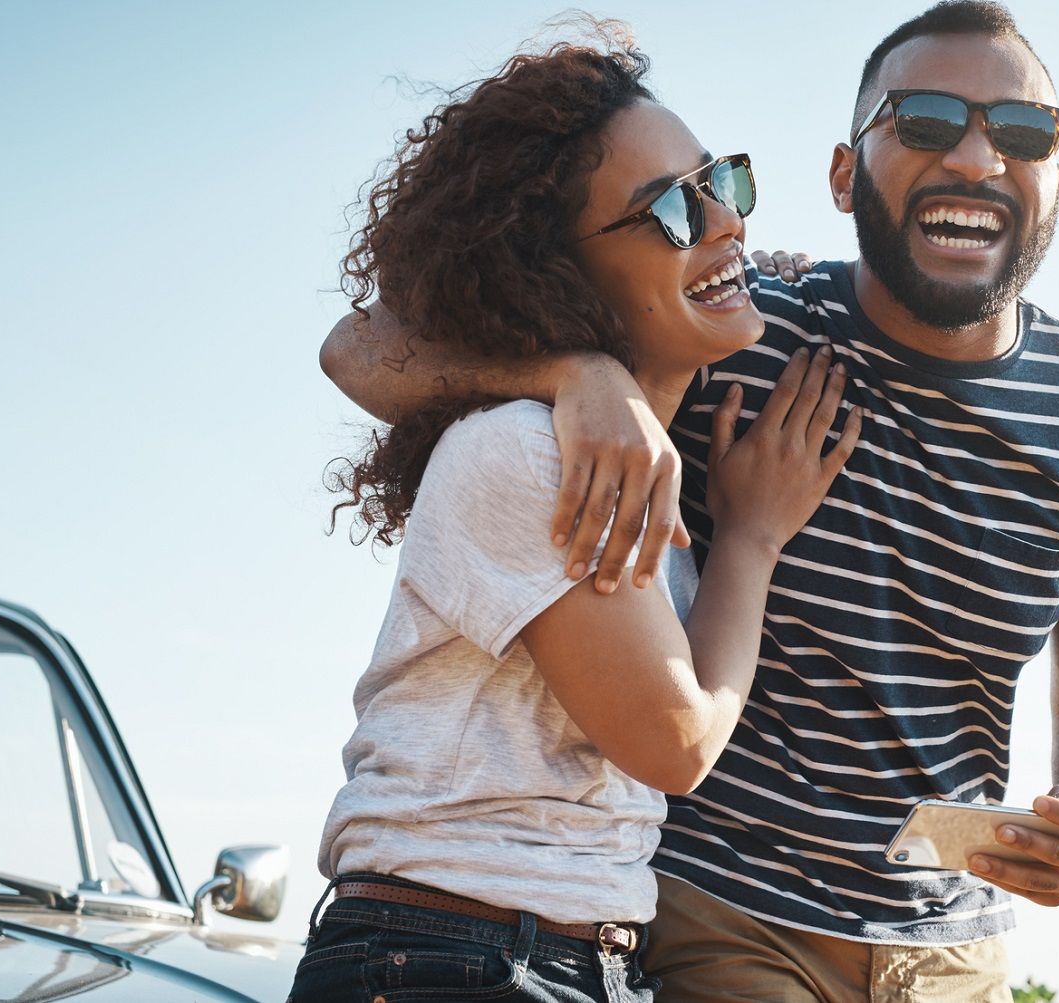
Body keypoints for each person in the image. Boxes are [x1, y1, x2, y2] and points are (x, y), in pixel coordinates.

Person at [321, 3, 1059, 1000]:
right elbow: (365, 349)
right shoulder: (723, 329)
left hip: (955, 946)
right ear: (842, 173)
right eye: (927, 122)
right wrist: (578, 374)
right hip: (708, 916)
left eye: (1026, 133)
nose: (979, 159)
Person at [292, 26, 862, 1003]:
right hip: (455, 955)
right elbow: (675, 743)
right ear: (562, 274)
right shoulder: (526, 450)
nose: (724, 222)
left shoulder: (615, 455)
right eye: (674, 210)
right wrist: (755, 539)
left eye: (721, 183)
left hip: (528, 959)